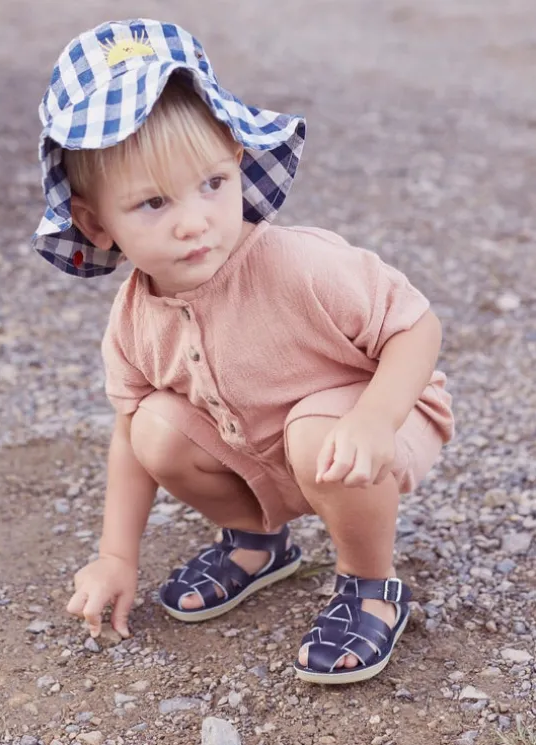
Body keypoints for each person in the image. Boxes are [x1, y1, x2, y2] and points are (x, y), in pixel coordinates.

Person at [31, 18, 454, 685]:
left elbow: (416, 327)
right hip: (266, 448)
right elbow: (126, 440)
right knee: (153, 430)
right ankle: (259, 541)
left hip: (375, 424)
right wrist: (117, 553)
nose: (194, 219)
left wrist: (376, 417)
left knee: (317, 431)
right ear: (94, 223)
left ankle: (371, 584)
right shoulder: (135, 318)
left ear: (236, 158)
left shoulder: (300, 265)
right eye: (152, 202)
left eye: (212, 184)